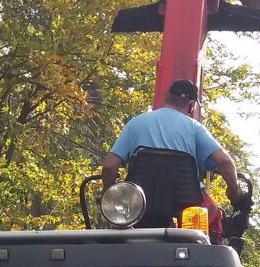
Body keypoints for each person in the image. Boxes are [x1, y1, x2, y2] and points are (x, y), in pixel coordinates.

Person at [101, 78, 244, 205]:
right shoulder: (195, 128)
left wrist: (109, 197)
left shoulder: (136, 123)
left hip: (137, 206)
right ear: (191, 104)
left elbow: (109, 166)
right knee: (214, 220)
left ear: (167, 97)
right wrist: (235, 192)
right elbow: (224, 162)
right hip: (184, 209)